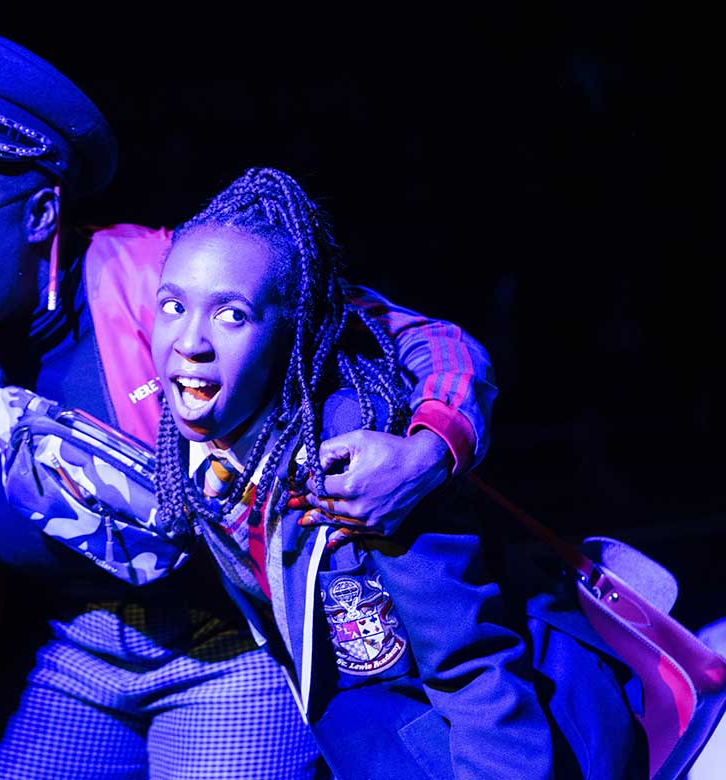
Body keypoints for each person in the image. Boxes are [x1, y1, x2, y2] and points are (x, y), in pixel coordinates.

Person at [0, 27, 500, 780]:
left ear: (38, 216)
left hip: (230, 650)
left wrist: (432, 447)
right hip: (76, 655)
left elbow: (417, 336)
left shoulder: (164, 281)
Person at [149, 165, 646, 779]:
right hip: (380, 746)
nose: (189, 340)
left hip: (496, 749)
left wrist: (431, 446)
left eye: (231, 316)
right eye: (172, 305)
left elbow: (475, 669)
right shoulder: (204, 442)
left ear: (291, 329)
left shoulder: (360, 456)